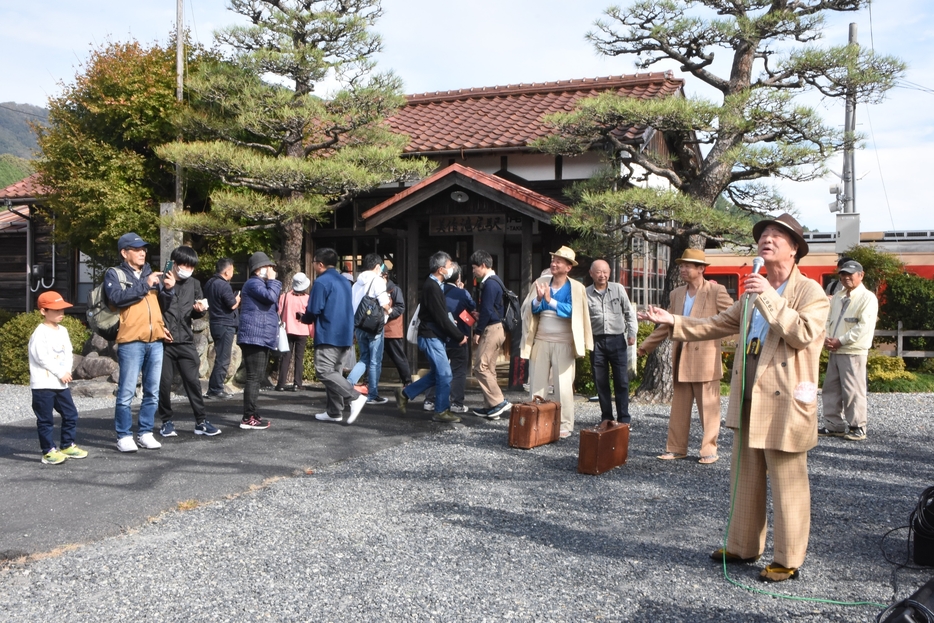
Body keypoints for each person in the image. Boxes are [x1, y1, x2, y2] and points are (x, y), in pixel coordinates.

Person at [639, 213, 828, 583]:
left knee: (788, 483)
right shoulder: (751, 295)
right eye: (764, 235)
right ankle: (743, 546)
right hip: (749, 397)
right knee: (745, 476)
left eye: (777, 236)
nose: (767, 240)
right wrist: (673, 322)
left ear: (794, 251)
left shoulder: (810, 292)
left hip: (786, 401)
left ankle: (788, 559)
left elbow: (803, 334)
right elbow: (713, 326)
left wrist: (768, 296)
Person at [637, 250, 733, 463]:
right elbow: (668, 323)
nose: (682, 269)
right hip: (681, 357)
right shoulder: (676, 293)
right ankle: (676, 448)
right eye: (681, 265)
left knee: (709, 409)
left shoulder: (717, 290)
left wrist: (732, 341)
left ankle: (709, 450)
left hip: (705, 357)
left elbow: (732, 319)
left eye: (688, 265)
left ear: (701, 269)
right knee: (678, 409)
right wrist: (646, 346)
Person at [105, 232, 168, 453]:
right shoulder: (115, 274)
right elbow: (116, 299)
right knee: (126, 392)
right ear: (124, 253)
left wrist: (167, 288)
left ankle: (145, 432)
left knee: (152, 391)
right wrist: (144, 284)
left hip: (155, 341)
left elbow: (160, 306)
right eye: (137, 249)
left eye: (144, 248)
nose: (143, 252)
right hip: (131, 341)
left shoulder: (150, 273)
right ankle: (123, 435)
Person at [521, 246, 593, 438]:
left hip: (563, 340)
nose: (554, 264)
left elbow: (575, 312)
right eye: (553, 260)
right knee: (537, 381)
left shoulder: (576, 287)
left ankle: (565, 424)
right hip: (541, 337)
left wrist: (550, 300)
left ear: (568, 267)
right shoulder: (541, 281)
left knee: (563, 385)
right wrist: (538, 300)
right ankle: (536, 418)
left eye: (559, 261)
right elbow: (530, 309)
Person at [394, 251, 468, 423]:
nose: (452, 268)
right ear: (441, 269)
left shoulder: (435, 285)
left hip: (432, 335)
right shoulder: (432, 287)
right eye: (450, 266)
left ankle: (404, 394)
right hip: (430, 336)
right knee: (445, 373)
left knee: (437, 374)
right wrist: (458, 336)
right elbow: (441, 317)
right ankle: (441, 410)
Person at [157, 246, 220, 438]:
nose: (188, 269)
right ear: (174, 264)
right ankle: (166, 422)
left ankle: (201, 421)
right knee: (164, 383)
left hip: (185, 339)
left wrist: (199, 309)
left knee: (193, 382)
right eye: (184, 264)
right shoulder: (160, 281)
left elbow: (195, 312)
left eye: (191, 266)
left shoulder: (194, 283)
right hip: (163, 342)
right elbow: (156, 308)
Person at [302, 247, 367, 424]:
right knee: (335, 373)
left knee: (324, 371)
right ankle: (333, 411)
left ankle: (354, 397)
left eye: (314, 262)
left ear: (320, 264)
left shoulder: (321, 282)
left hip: (328, 333)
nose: (314, 265)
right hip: (345, 333)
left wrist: (304, 318)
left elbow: (314, 309)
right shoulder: (345, 281)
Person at [819, 260, 878, 441]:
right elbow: (828, 320)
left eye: (850, 274)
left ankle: (857, 426)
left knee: (853, 390)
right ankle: (833, 425)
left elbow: (863, 326)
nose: (845, 277)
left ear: (861, 275)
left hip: (853, 350)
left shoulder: (867, 298)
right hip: (835, 350)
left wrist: (841, 341)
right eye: (842, 274)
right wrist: (827, 338)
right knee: (830, 389)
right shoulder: (837, 297)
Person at [29, 291, 88, 465]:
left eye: (62, 310)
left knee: (71, 414)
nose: (60, 313)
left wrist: (67, 371)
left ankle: (67, 445)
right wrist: (60, 372)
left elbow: (68, 353)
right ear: (43, 311)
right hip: (43, 385)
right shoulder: (39, 333)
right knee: (46, 419)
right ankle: (48, 451)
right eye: (55, 310)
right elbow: (42, 357)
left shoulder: (63, 330)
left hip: (61, 384)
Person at [586, 259, 639, 426]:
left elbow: (629, 313)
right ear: (591, 274)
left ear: (609, 272)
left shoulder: (618, 289)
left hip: (617, 339)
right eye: (598, 272)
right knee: (601, 381)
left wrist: (632, 333)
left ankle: (624, 419)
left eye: (605, 272)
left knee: (621, 380)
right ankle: (606, 418)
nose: (602, 275)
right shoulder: (585, 293)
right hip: (597, 341)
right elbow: (582, 319)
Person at [237, 251, 281, 430]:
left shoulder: (257, 283)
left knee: (256, 377)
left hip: (259, 336)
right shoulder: (254, 283)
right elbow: (271, 297)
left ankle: (252, 413)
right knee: (254, 378)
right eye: (267, 267)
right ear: (258, 268)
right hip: (254, 336)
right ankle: (248, 417)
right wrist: (273, 280)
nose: (270, 270)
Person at [425, 263, 475, 415]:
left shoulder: (437, 290)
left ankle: (429, 400)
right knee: (459, 371)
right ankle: (456, 403)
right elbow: (472, 308)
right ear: (459, 277)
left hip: (439, 337)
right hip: (459, 337)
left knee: (437, 369)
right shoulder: (462, 293)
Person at [469, 249, 511, 420]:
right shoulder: (497, 281)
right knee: (489, 368)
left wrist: (478, 331)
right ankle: (491, 407)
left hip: (491, 329)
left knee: (480, 367)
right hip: (498, 327)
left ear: (483, 266)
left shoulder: (489, 284)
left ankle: (499, 402)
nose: (473, 271)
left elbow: (486, 309)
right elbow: (491, 309)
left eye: (474, 267)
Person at [352, 253, 392, 404]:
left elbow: (352, 307)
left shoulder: (356, 283)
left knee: (364, 358)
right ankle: (373, 395)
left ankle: (348, 386)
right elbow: (383, 303)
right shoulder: (377, 280)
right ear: (376, 267)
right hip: (374, 326)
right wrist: (390, 310)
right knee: (375, 361)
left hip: (359, 325)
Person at [203, 258, 240, 400]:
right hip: (225, 324)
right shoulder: (223, 285)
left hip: (215, 322)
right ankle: (215, 389)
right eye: (232, 269)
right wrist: (238, 299)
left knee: (220, 356)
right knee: (223, 358)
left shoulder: (210, 283)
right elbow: (231, 305)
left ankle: (214, 387)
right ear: (226, 271)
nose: (233, 272)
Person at [276, 272, 313, 392]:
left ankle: (280, 383)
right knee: (299, 357)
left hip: (287, 329)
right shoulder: (308, 298)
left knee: (285, 357)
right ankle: (297, 383)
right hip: (302, 330)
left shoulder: (285, 296)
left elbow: (279, 312)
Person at [383, 272, 412, 387]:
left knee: (398, 356)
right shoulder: (376, 288)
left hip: (392, 328)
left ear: (385, 276)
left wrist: (388, 312)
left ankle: (407, 381)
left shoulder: (394, 289)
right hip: (380, 328)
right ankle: (368, 382)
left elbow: (400, 307)